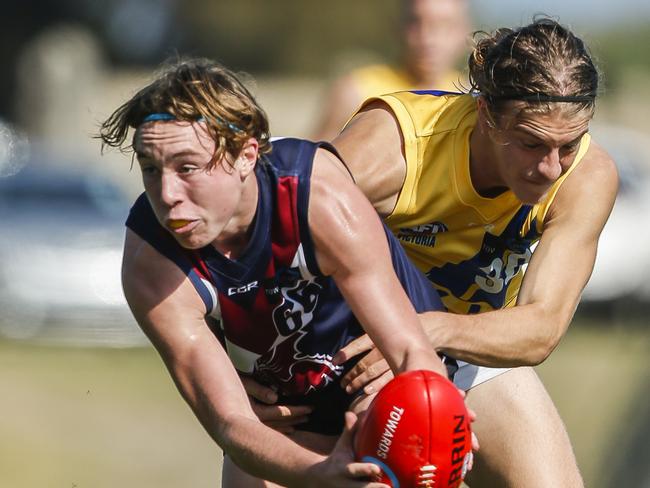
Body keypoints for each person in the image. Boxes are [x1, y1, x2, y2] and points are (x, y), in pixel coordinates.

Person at [248, 18, 618, 487]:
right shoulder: (395, 148)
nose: (550, 168)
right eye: (531, 143)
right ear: (486, 113)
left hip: (461, 339)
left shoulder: (585, 174)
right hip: (340, 350)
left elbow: (540, 329)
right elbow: (250, 241)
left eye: (568, 144)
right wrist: (232, 371)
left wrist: (424, 332)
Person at [98, 59, 469, 488]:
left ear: (246, 155)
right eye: (150, 168)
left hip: (394, 385)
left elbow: (410, 352)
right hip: (286, 418)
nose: (166, 195)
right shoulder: (152, 259)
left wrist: (438, 410)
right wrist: (320, 473)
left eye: (187, 167)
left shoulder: (315, 195)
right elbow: (234, 425)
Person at [312, 0, 470, 141]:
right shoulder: (355, 92)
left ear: (463, 32)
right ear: (397, 27)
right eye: (415, 22)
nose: (426, 38)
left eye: (442, 25)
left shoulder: (470, 100)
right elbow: (313, 166)